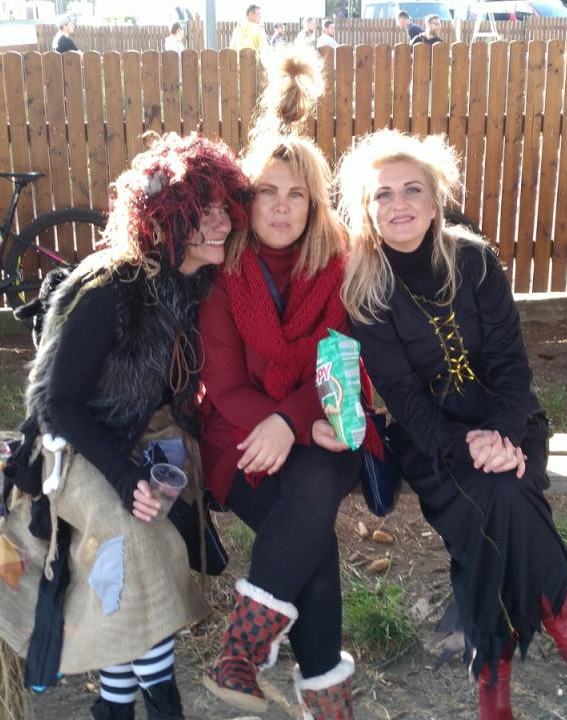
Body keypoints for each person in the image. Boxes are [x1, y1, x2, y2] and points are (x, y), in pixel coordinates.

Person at [0, 134, 253, 720]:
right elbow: (58, 404)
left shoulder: (195, 283)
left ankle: (113, 708)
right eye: (202, 211)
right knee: (134, 541)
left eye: (224, 209)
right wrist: (122, 475)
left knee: (133, 556)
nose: (220, 223)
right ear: (165, 217)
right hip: (73, 447)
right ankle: (163, 705)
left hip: (143, 440)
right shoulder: (112, 289)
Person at [335, 130, 567, 720]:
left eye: (413, 189)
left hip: (512, 426)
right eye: (383, 194)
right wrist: (472, 445)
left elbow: (509, 363)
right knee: (506, 498)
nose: (399, 203)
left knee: (499, 503)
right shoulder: (365, 285)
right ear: (366, 209)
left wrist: (504, 435)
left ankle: (495, 693)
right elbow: (403, 396)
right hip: (433, 442)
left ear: (435, 201)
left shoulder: (473, 260)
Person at [198, 48, 366, 720]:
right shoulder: (226, 272)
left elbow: (342, 364)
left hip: (324, 422)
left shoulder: (340, 264)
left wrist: (291, 422)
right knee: (310, 538)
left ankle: (241, 650)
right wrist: (272, 425)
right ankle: (328, 701)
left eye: (296, 194)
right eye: (267, 191)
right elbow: (223, 384)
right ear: (249, 199)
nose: (282, 206)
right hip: (237, 437)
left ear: (313, 203)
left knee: (315, 488)